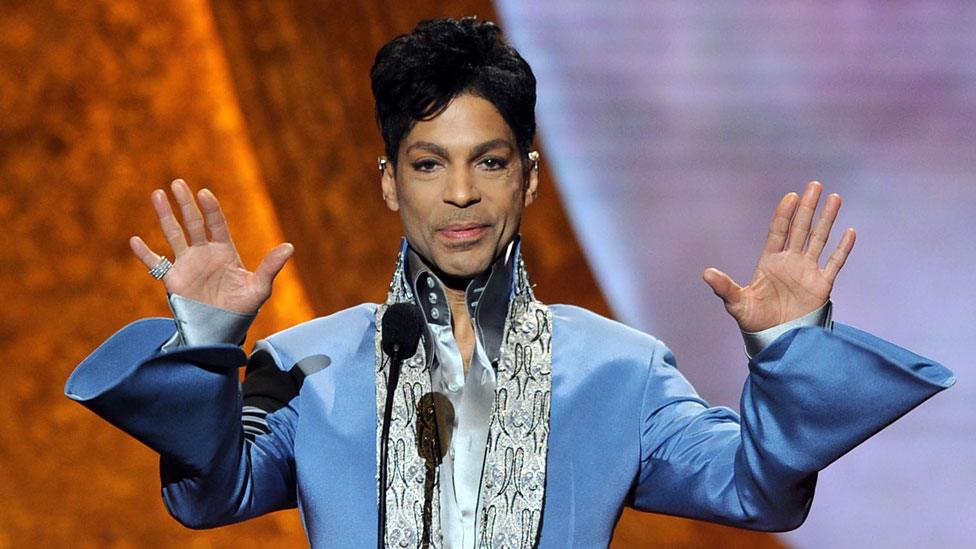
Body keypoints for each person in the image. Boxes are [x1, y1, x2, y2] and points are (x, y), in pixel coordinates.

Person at [65, 17, 954, 549]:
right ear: (388, 182)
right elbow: (209, 494)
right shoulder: (303, 363)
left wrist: (787, 348)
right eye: (428, 164)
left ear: (529, 176)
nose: (460, 194)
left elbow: (756, 489)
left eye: (489, 162)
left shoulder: (621, 369)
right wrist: (213, 345)